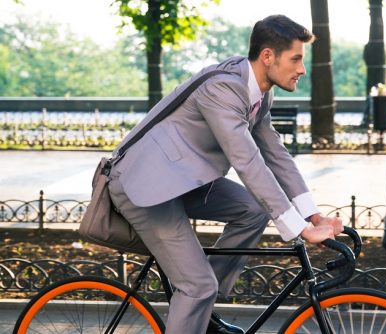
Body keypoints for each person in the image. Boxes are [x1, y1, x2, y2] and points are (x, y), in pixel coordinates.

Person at [108, 14, 343, 334]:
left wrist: (313, 216)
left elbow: (275, 155)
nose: (302, 69)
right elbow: (248, 162)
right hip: (145, 186)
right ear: (268, 56)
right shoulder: (223, 89)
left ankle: (201, 312)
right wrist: (298, 228)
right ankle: (198, 296)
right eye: (296, 58)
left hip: (180, 180)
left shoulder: (259, 90)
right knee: (197, 286)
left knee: (252, 211)